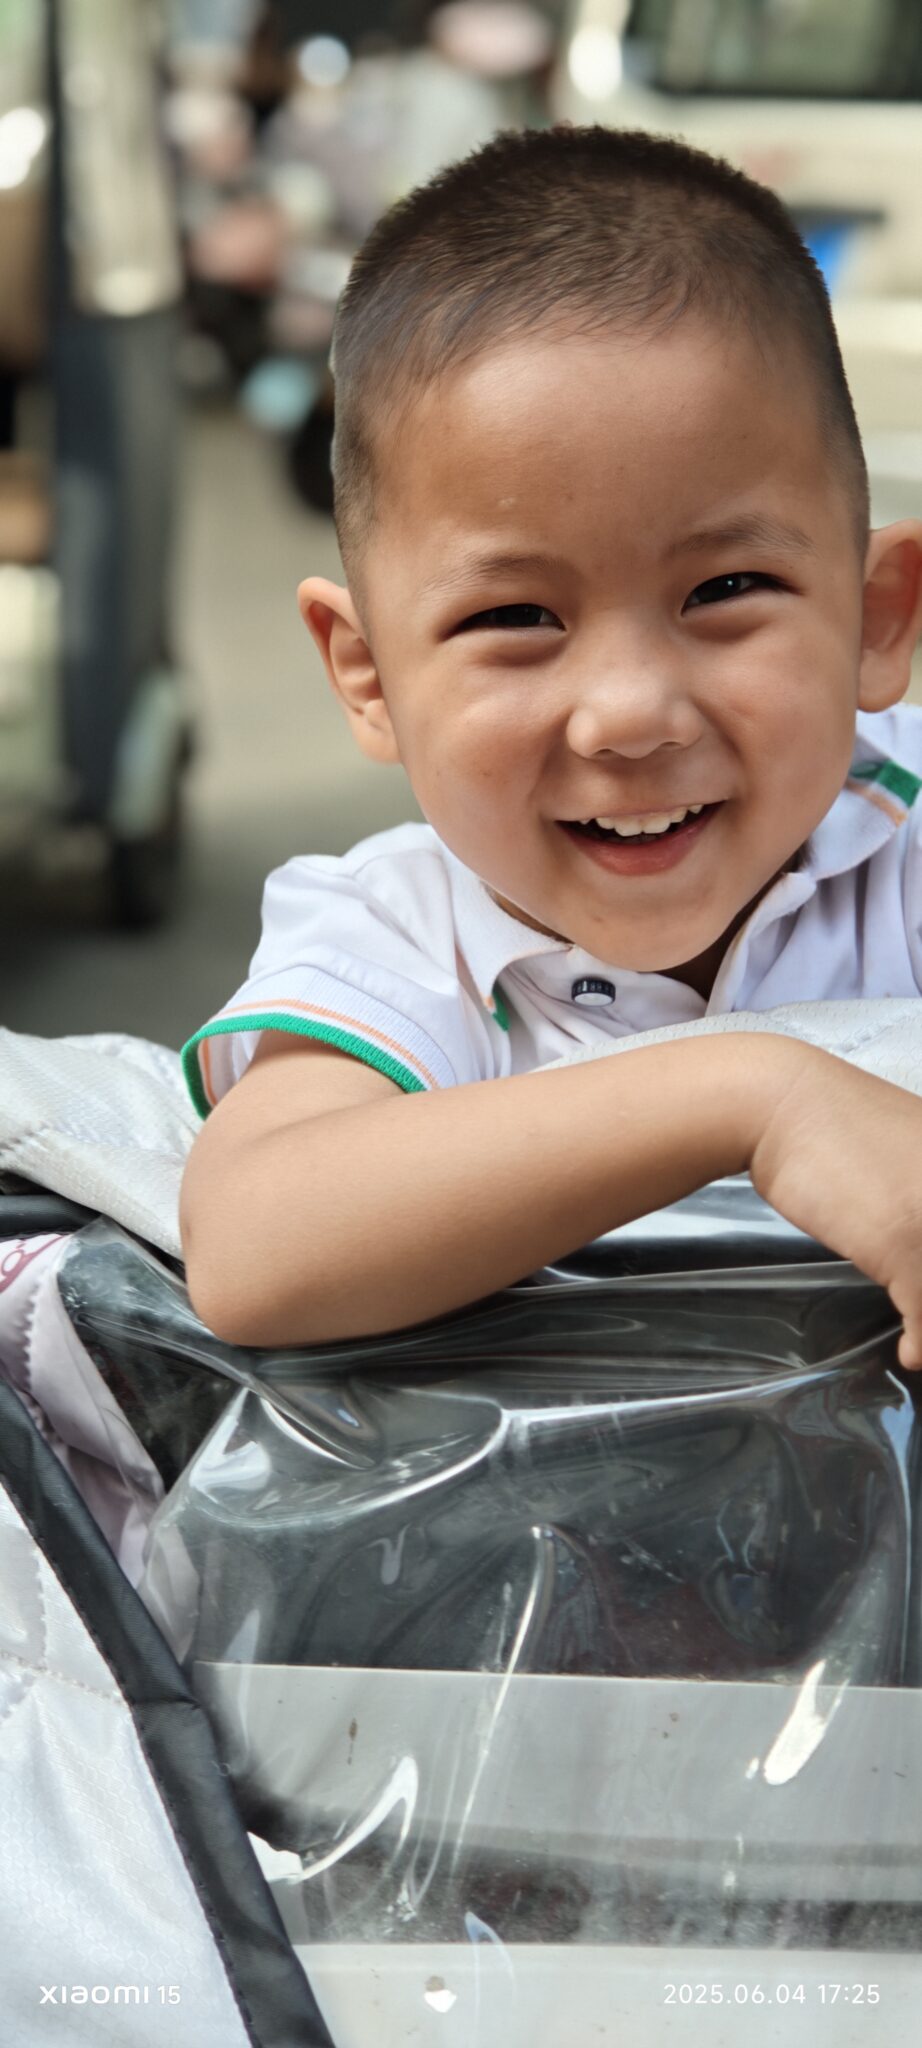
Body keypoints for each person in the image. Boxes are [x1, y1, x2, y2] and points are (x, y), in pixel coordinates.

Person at [179, 126, 922, 1359]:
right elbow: (254, 1246)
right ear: (368, 673)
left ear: (876, 617)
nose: (628, 713)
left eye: (724, 590)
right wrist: (755, 1091)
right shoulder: (400, 938)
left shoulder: (902, 850)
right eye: (515, 617)